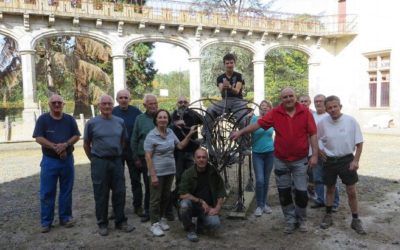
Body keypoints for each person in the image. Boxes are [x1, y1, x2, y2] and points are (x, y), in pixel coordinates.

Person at [231, 87, 318, 234]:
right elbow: (258, 124)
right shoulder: (276, 112)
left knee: (302, 193)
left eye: (291, 96)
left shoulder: (305, 112)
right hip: (281, 160)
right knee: (284, 193)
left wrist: (315, 155)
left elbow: (313, 134)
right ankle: (290, 220)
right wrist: (240, 132)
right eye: (285, 97)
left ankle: (302, 220)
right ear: (281, 99)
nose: (288, 99)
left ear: (295, 97)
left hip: (300, 160)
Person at [83, 95, 135, 236]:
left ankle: (120, 221)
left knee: (120, 192)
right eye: (104, 104)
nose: (107, 106)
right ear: (99, 106)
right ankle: (102, 223)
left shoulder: (120, 121)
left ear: (113, 106)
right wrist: (94, 159)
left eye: (109, 104)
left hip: (116, 161)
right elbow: (86, 144)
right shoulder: (92, 123)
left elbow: (123, 140)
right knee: (101, 194)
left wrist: (116, 152)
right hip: (99, 162)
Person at [144, 109, 197, 237]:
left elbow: (179, 146)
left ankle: (161, 219)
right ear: (156, 120)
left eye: (165, 117)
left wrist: (189, 134)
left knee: (165, 197)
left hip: (170, 171)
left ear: (168, 120)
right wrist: (153, 175)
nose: (162, 119)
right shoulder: (151, 135)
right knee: (155, 199)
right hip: (157, 172)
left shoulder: (170, 132)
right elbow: (148, 157)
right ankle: (154, 224)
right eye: (160, 117)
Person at [318, 95, 366, 235]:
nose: (333, 110)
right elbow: (315, 138)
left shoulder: (350, 121)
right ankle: (328, 215)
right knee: (330, 189)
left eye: (335, 106)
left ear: (340, 106)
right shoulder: (322, 123)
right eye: (329, 108)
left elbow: (359, 142)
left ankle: (356, 219)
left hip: (346, 160)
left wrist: (356, 160)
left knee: (351, 190)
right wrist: (320, 150)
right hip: (330, 161)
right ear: (326, 110)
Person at [33, 94, 80, 233]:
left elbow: (77, 135)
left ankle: (65, 218)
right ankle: (46, 222)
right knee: (47, 191)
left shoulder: (69, 119)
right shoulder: (43, 120)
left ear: (63, 104)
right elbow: (38, 137)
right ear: (49, 104)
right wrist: (55, 147)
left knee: (66, 190)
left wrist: (65, 145)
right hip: (49, 161)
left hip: (67, 161)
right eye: (54, 102)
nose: (57, 105)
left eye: (59, 102)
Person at [178, 148, 226, 242]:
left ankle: (200, 223)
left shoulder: (213, 172)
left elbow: (221, 190)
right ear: (194, 159)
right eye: (198, 157)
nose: (201, 159)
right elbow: (182, 194)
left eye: (204, 157)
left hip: (207, 208)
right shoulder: (188, 173)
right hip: (192, 205)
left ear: (207, 159)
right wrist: (200, 201)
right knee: (184, 205)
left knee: (215, 224)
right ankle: (190, 228)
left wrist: (217, 207)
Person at [204, 53, 249, 145]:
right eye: (227, 63)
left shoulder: (239, 76)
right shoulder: (220, 78)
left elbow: (237, 91)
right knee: (209, 110)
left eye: (231, 63)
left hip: (238, 101)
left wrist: (229, 87)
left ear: (234, 63)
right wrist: (224, 87)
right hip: (225, 101)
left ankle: (245, 144)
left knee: (243, 119)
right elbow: (221, 92)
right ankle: (207, 138)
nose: (229, 65)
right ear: (224, 64)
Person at [112, 89, 142, 214]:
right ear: (117, 99)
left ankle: (138, 206)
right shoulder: (112, 112)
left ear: (130, 99)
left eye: (126, 97)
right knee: (117, 181)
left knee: (135, 180)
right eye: (121, 98)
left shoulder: (136, 112)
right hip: (117, 151)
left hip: (132, 150)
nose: (123, 100)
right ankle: (117, 208)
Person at [130, 94, 158, 223]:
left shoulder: (161, 117)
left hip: (156, 158)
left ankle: (151, 210)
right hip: (142, 157)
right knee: (138, 183)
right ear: (145, 105)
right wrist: (135, 157)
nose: (153, 106)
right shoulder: (139, 119)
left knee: (151, 186)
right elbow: (134, 139)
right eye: (150, 104)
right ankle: (142, 209)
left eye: (155, 103)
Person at [310, 94, 340, 210]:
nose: (318, 103)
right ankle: (320, 200)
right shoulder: (311, 116)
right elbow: (310, 134)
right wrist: (316, 151)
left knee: (331, 181)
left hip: (329, 154)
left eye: (320, 101)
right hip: (316, 152)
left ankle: (335, 203)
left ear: (325, 102)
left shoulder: (330, 116)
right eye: (316, 101)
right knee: (317, 178)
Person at [170, 96, 203, 202]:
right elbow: (166, 127)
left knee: (193, 175)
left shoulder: (194, 114)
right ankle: (179, 198)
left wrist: (203, 139)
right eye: (180, 102)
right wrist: (175, 124)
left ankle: (192, 198)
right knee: (179, 175)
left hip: (192, 150)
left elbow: (206, 122)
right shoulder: (172, 116)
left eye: (185, 102)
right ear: (177, 104)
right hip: (178, 151)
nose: (183, 104)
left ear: (188, 103)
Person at [250, 100, 274, 217]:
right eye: (262, 106)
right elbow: (248, 131)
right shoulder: (254, 119)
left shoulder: (272, 120)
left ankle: (264, 204)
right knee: (259, 180)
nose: (264, 108)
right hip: (257, 153)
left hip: (270, 153)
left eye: (266, 107)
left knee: (266, 179)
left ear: (270, 108)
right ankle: (259, 205)